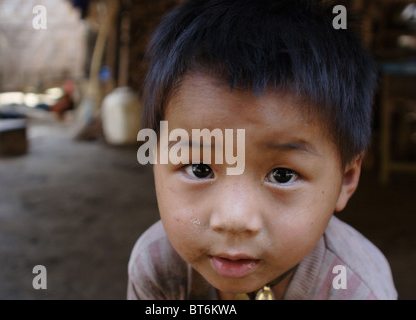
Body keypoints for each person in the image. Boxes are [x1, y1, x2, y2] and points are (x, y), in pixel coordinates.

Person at [127, 0, 398, 300]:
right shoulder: (157, 267)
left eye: (282, 175)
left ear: (346, 179)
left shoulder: (354, 290)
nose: (234, 219)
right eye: (199, 169)